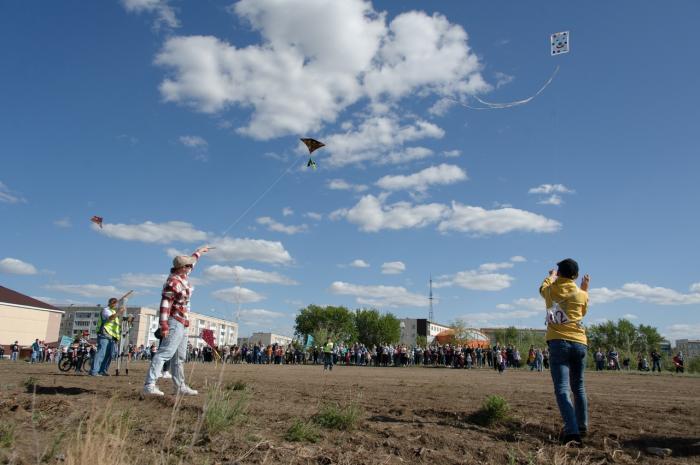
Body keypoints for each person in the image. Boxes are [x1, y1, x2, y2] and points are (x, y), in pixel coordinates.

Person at [143, 246, 210, 396]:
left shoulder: (183, 277)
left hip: (183, 322)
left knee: (180, 356)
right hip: (174, 321)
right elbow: (165, 304)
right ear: (182, 268)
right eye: (187, 265)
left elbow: (193, 263)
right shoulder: (173, 282)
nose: (190, 267)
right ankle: (149, 385)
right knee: (165, 353)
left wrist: (199, 252)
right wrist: (164, 324)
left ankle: (180, 386)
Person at [540, 258, 590, 445]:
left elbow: (542, 288)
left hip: (558, 343)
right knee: (578, 386)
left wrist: (550, 278)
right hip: (579, 342)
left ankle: (572, 432)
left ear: (558, 273)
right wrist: (584, 288)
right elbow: (582, 312)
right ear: (575, 276)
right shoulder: (581, 294)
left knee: (562, 389)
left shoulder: (550, 290)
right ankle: (582, 426)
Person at [90, 297, 126, 376]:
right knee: (101, 353)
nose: (114, 304)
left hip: (112, 336)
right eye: (113, 303)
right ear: (109, 303)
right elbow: (110, 318)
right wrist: (119, 312)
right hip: (104, 334)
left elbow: (116, 324)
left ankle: (102, 370)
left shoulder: (113, 311)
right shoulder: (105, 310)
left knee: (109, 354)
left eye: (115, 303)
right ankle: (94, 371)